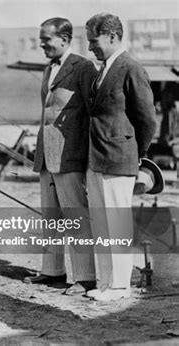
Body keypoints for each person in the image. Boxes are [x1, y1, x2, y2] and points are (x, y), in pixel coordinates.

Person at [84, 13, 156, 301]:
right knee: (102, 224)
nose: (90, 48)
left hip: (119, 158)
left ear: (112, 36)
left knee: (117, 225)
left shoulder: (130, 68)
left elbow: (148, 120)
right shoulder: (104, 69)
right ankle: (106, 284)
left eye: (94, 41)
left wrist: (136, 153)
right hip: (97, 159)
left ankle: (120, 286)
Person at [24, 17, 98, 295]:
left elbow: (93, 114)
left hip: (70, 156)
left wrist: (87, 156)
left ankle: (86, 277)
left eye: (46, 39)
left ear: (65, 39)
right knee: (51, 216)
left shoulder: (84, 68)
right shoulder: (48, 69)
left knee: (75, 216)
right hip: (47, 155)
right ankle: (53, 271)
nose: (41, 44)